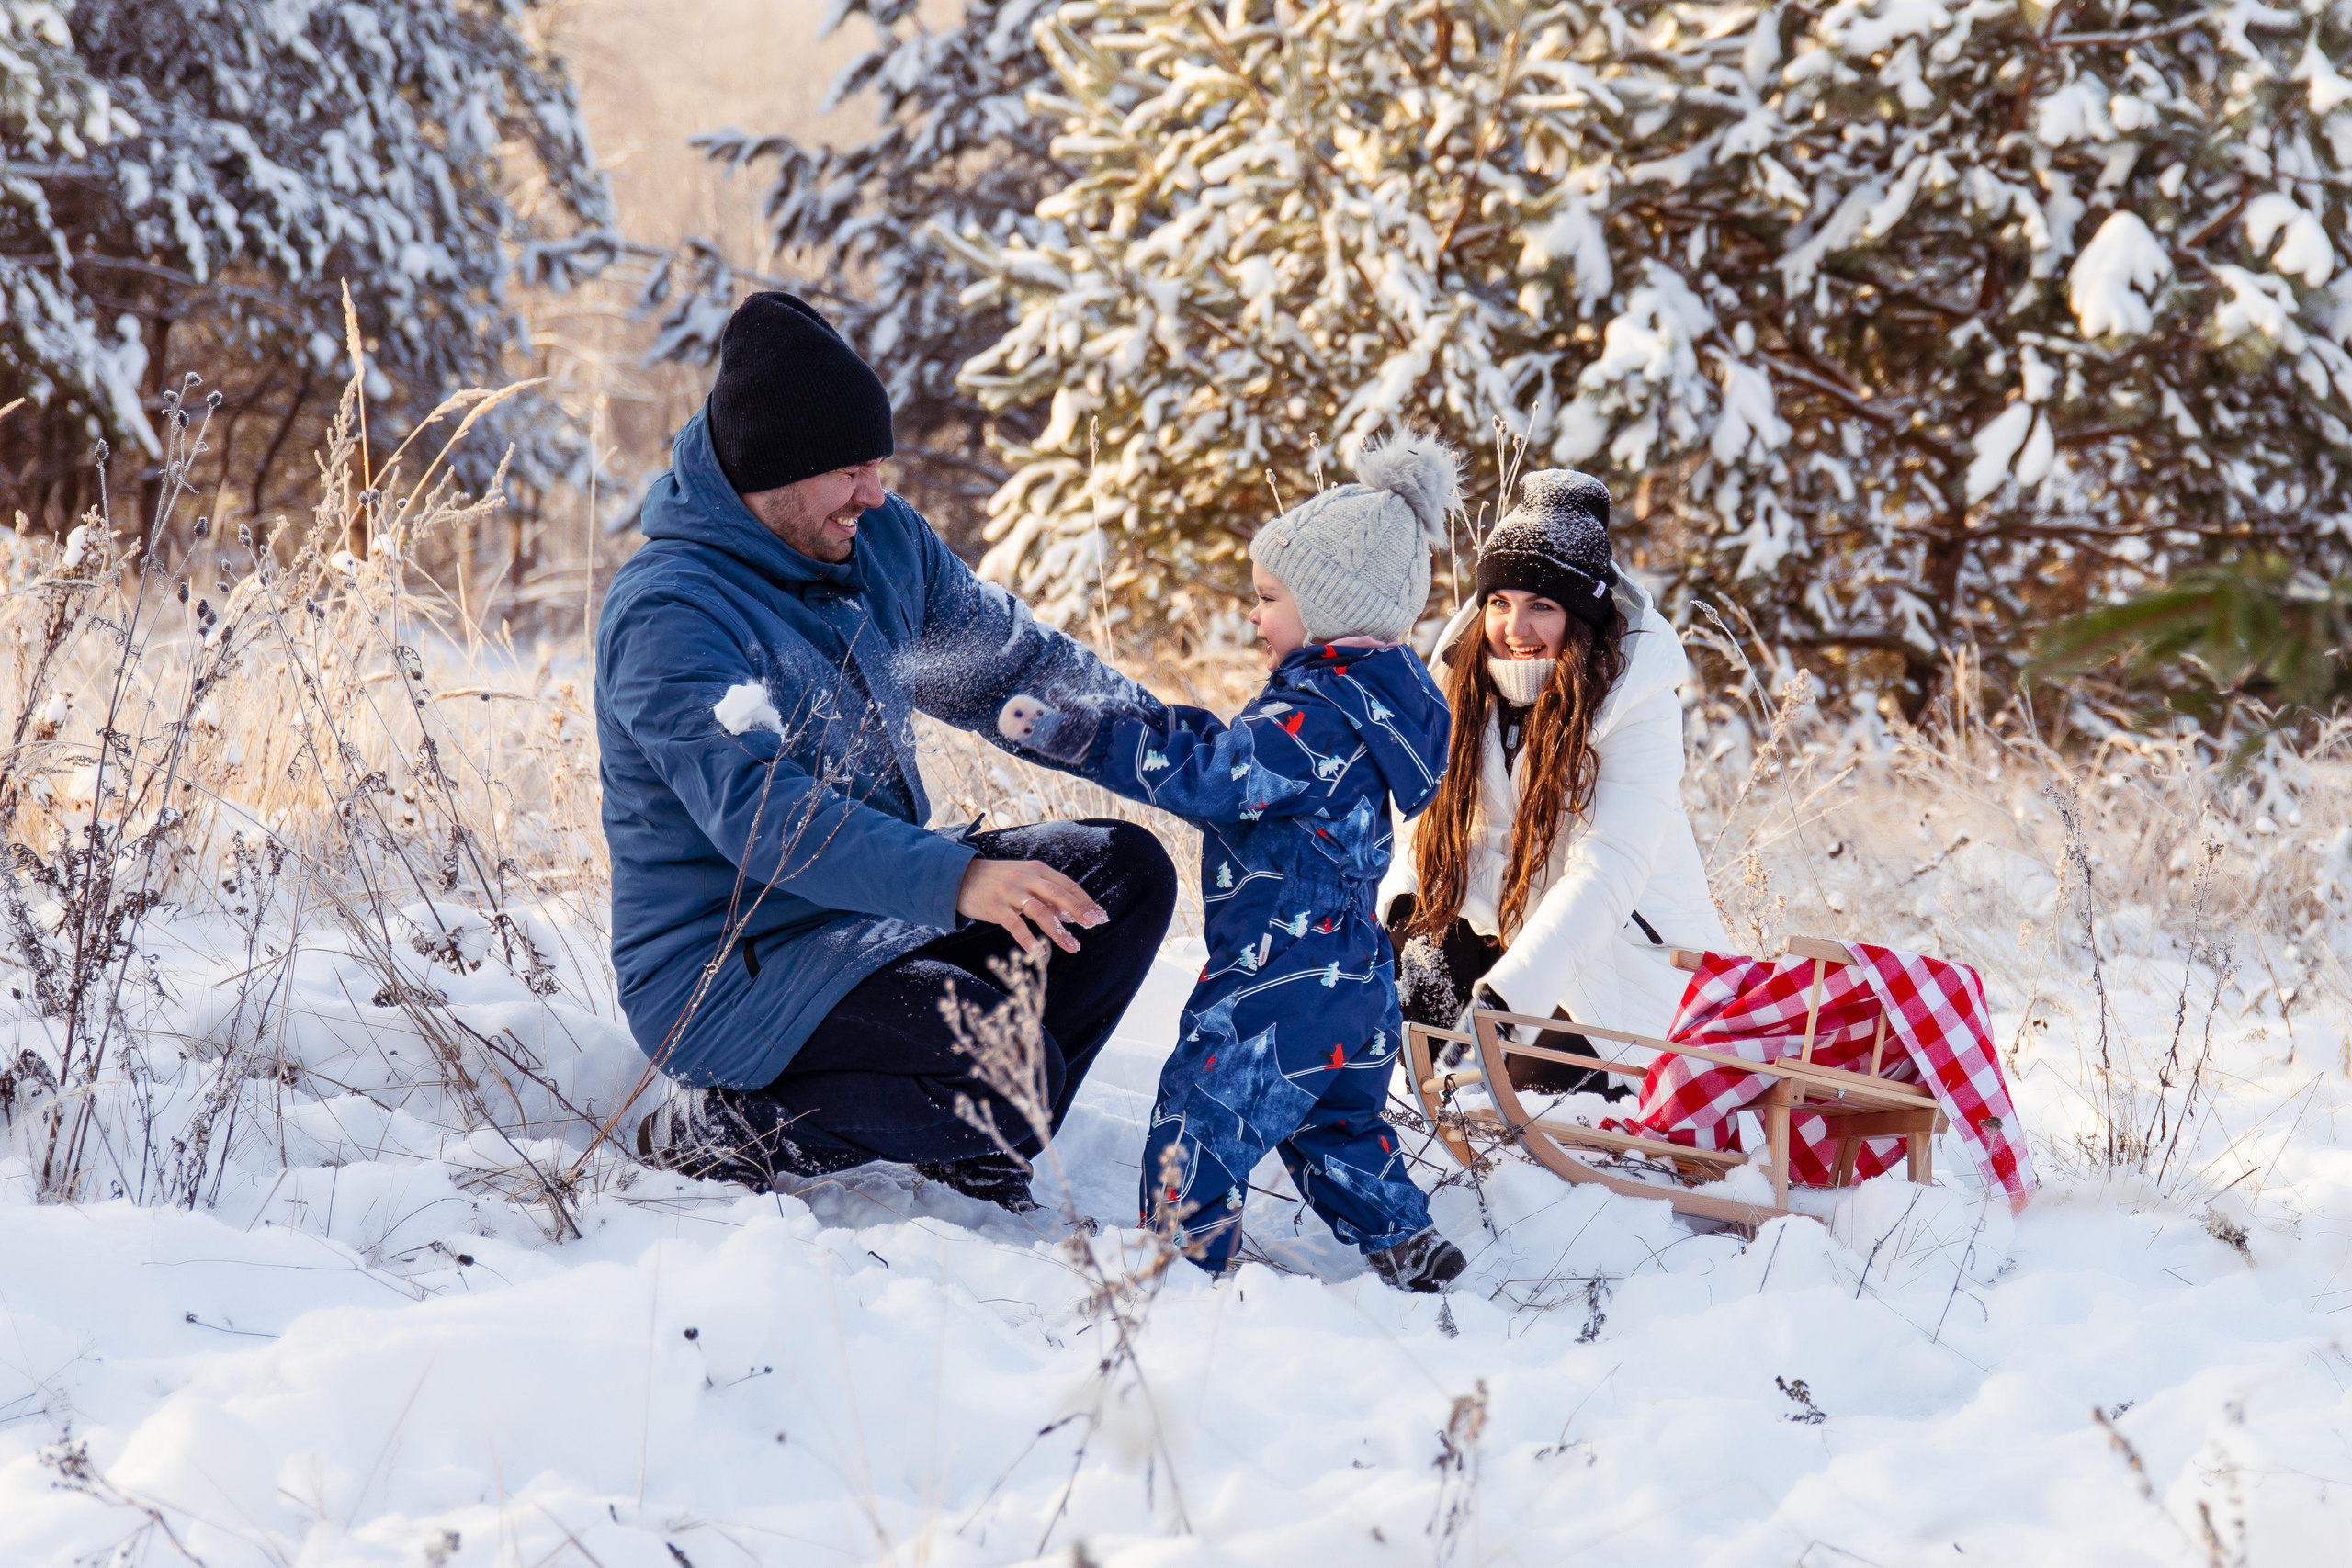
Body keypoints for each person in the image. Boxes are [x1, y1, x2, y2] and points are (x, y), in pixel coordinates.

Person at [601, 291, 1178, 1209]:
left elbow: (1009, 668)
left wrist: (1189, 758)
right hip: (736, 967)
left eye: (876, 467)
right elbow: (768, 817)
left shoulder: (881, 544)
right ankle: (727, 1127)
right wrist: (953, 881)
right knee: (1008, 1065)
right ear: (768, 473)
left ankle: (972, 1131)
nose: (873, 494)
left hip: (875, 916)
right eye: (848, 472)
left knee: (1122, 873)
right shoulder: (672, 612)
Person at [998, 434, 1467, 1292]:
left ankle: (1179, 1263)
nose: (1254, 617)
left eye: (1267, 598)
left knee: (1200, 1112)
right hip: (1354, 976)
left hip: (1278, 972)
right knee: (1335, 1125)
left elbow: (1211, 776)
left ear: (1328, 609)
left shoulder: (1313, 716)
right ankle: (1406, 1239)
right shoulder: (1373, 714)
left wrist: (1088, 733)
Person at [1381, 468, 1730, 1097]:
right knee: (1400, 995)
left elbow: (1605, 874)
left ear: (1582, 617)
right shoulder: (1461, 685)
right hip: (1507, 939)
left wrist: (1507, 997)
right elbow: (1425, 828)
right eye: (1500, 604)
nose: (1515, 630)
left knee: (1528, 1095)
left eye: (1541, 606)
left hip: (1618, 961)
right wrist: (1405, 913)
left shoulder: (1636, 703)